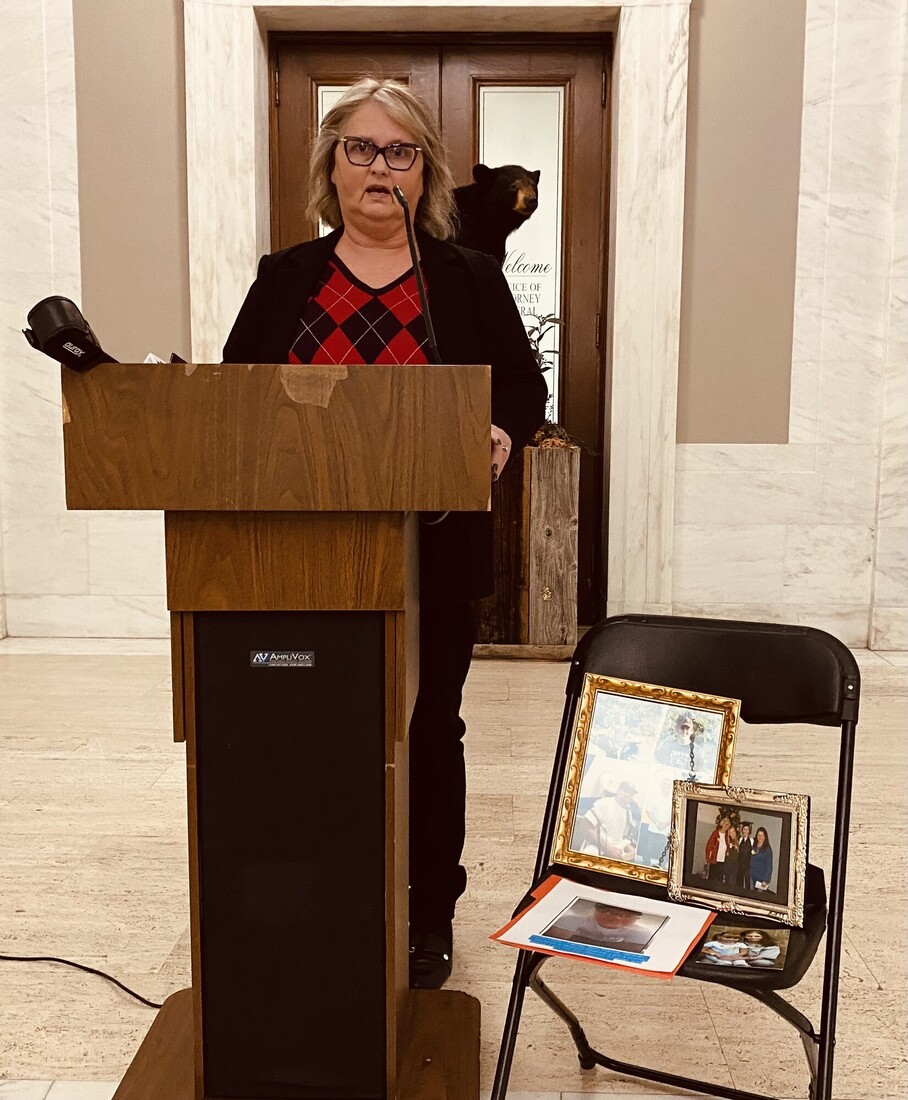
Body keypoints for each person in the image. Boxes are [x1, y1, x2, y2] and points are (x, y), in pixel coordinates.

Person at [222, 78, 547, 990]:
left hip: (432, 555)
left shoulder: (467, 278)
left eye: (400, 152)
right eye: (359, 148)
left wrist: (501, 430)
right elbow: (233, 394)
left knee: (428, 728)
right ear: (331, 166)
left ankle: (427, 913)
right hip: (300, 552)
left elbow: (523, 387)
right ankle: (314, 899)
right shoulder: (286, 276)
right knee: (306, 728)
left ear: (425, 173)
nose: (378, 168)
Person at [544, 903, 654, 954]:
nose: (616, 917)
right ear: (597, 910)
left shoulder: (643, 934)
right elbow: (553, 940)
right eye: (608, 912)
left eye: (625, 915)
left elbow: (634, 952)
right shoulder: (571, 920)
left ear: (635, 918)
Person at [576, 781, 640, 860]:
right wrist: (608, 849)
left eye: (632, 793)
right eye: (626, 791)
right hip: (597, 847)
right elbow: (585, 826)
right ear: (618, 790)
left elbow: (622, 837)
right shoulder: (604, 803)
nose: (628, 795)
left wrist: (632, 851)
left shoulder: (628, 812)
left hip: (617, 850)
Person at [704, 814, 732, 883]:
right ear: (721, 824)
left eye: (727, 824)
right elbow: (708, 846)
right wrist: (708, 859)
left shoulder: (727, 836)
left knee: (719, 881)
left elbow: (728, 848)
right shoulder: (715, 833)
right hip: (714, 861)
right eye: (724, 823)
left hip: (722, 863)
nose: (725, 825)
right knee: (711, 880)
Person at [750, 827, 774, 891]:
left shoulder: (767, 849)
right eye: (758, 835)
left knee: (759, 895)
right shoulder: (754, 846)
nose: (760, 837)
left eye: (762, 835)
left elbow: (769, 866)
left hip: (761, 879)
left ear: (765, 837)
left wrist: (765, 880)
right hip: (752, 877)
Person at [738, 821, 755, 891]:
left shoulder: (752, 840)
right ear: (742, 830)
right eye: (744, 829)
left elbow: (753, 852)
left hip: (748, 864)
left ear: (749, 831)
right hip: (740, 863)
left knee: (747, 880)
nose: (745, 831)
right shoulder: (740, 839)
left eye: (747, 829)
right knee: (740, 879)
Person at [722, 823, 741, 888]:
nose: (732, 833)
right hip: (728, 866)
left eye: (733, 831)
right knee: (727, 884)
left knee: (732, 885)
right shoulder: (727, 842)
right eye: (730, 832)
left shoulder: (739, 841)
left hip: (735, 867)